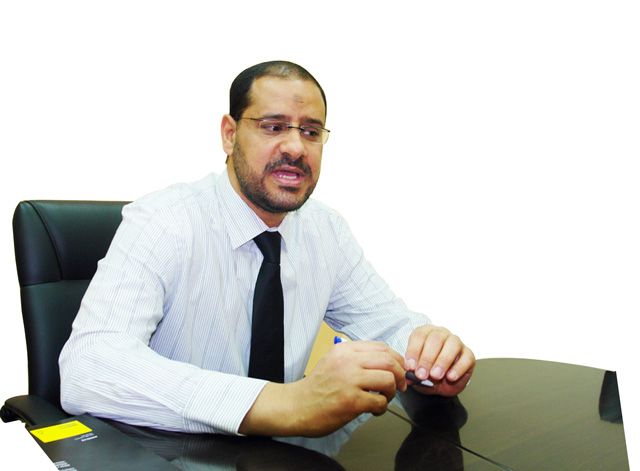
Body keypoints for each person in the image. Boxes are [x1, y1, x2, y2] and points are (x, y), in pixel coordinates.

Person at [59, 60, 475, 438]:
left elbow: (387, 326)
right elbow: (88, 368)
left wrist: (428, 356)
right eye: (273, 127)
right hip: (169, 452)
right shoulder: (164, 221)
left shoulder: (325, 230)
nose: (296, 147)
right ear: (230, 134)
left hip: (281, 456)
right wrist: (281, 404)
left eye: (311, 131)